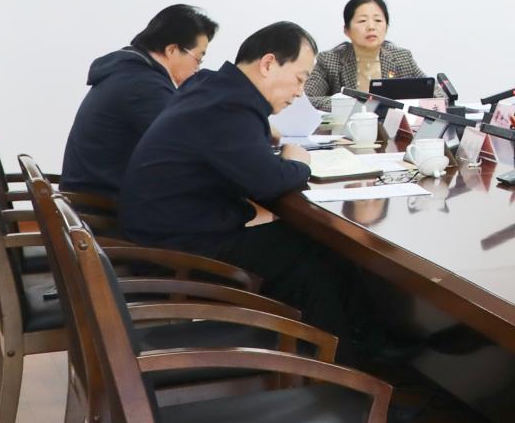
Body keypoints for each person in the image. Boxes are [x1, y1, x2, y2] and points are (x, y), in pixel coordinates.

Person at [120, 21, 392, 364]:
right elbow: (267, 181)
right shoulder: (229, 107)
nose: (299, 92)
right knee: (317, 254)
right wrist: (299, 163)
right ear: (268, 64)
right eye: (299, 78)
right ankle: (345, 368)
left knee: (310, 247)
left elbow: (248, 162)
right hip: (176, 249)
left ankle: (354, 351)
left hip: (161, 233)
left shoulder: (214, 88)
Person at [61, 3, 218, 195]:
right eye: (198, 59)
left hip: (92, 195)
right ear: (172, 50)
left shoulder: (129, 72)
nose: (197, 68)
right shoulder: (144, 86)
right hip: (103, 203)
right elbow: (186, 146)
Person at [304, 0, 426, 109]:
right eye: (362, 21)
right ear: (347, 30)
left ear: (386, 27)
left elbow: (433, 94)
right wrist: (352, 104)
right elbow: (306, 99)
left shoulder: (402, 58)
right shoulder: (330, 61)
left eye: (378, 20)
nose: (371, 27)